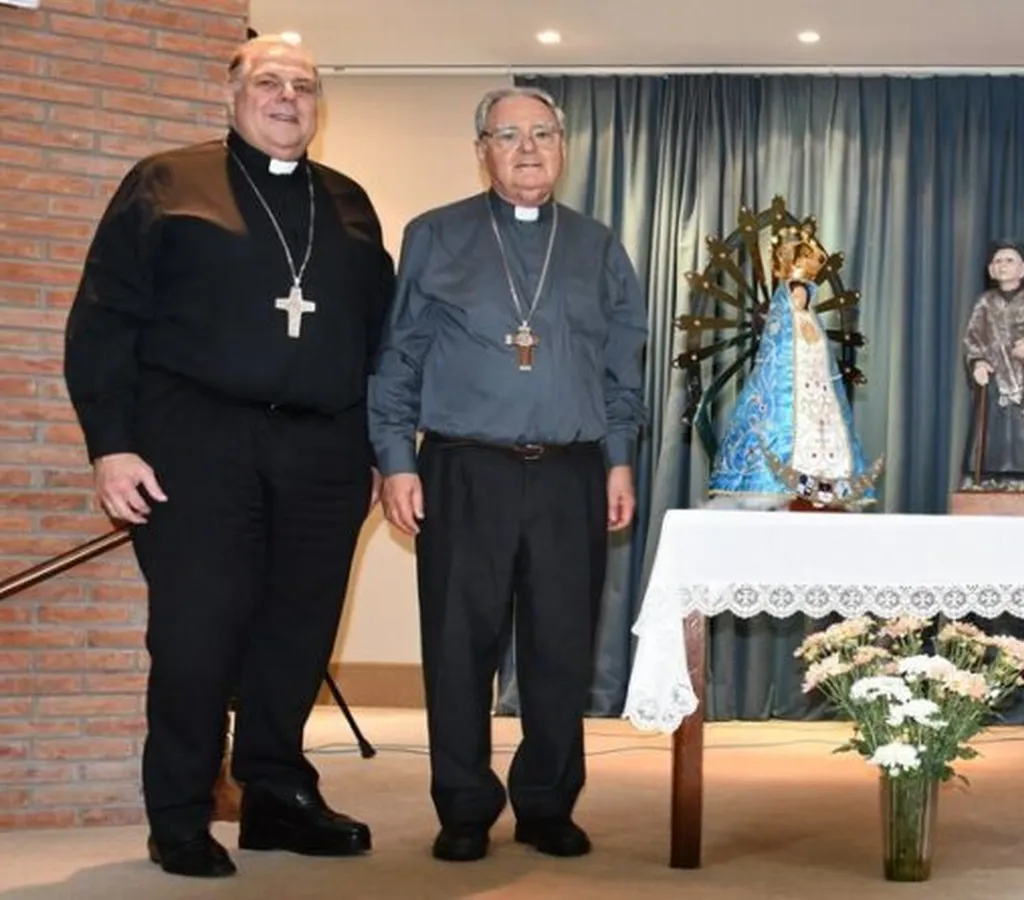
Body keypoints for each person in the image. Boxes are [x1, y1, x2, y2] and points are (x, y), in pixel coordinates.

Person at [62, 35, 393, 878]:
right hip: (195, 442)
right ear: (232, 95)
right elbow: (103, 320)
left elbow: (379, 339)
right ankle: (178, 813)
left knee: (298, 633)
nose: (287, 98)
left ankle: (276, 796)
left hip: (323, 447)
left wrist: (374, 450)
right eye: (269, 82)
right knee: (196, 635)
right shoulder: (166, 181)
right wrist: (112, 445)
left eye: (304, 86)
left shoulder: (348, 203)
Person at [367, 85, 648, 863]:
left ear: (563, 146)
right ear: (481, 150)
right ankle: (463, 807)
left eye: (543, 134)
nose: (528, 150)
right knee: (459, 646)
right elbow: (399, 357)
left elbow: (622, 368)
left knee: (562, 646)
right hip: (464, 467)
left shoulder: (596, 245)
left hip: (570, 471)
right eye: (508, 135)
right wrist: (396, 459)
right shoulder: (436, 235)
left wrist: (619, 460)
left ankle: (547, 804)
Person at [706, 229, 877, 509]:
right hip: (789, 385)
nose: (801, 299)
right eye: (797, 294)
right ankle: (776, 481)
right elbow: (780, 350)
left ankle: (820, 482)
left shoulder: (808, 318)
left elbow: (817, 352)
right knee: (782, 427)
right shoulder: (786, 319)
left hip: (815, 386)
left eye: (804, 294)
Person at [960, 241, 1024, 490]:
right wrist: (978, 362)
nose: (1002, 265)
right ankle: (989, 474)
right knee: (992, 429)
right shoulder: (985, 302)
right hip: (996, 379)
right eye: (997, 261)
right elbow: (972, 338)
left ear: (1023, 268)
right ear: (990, 270)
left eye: (1009, 260)